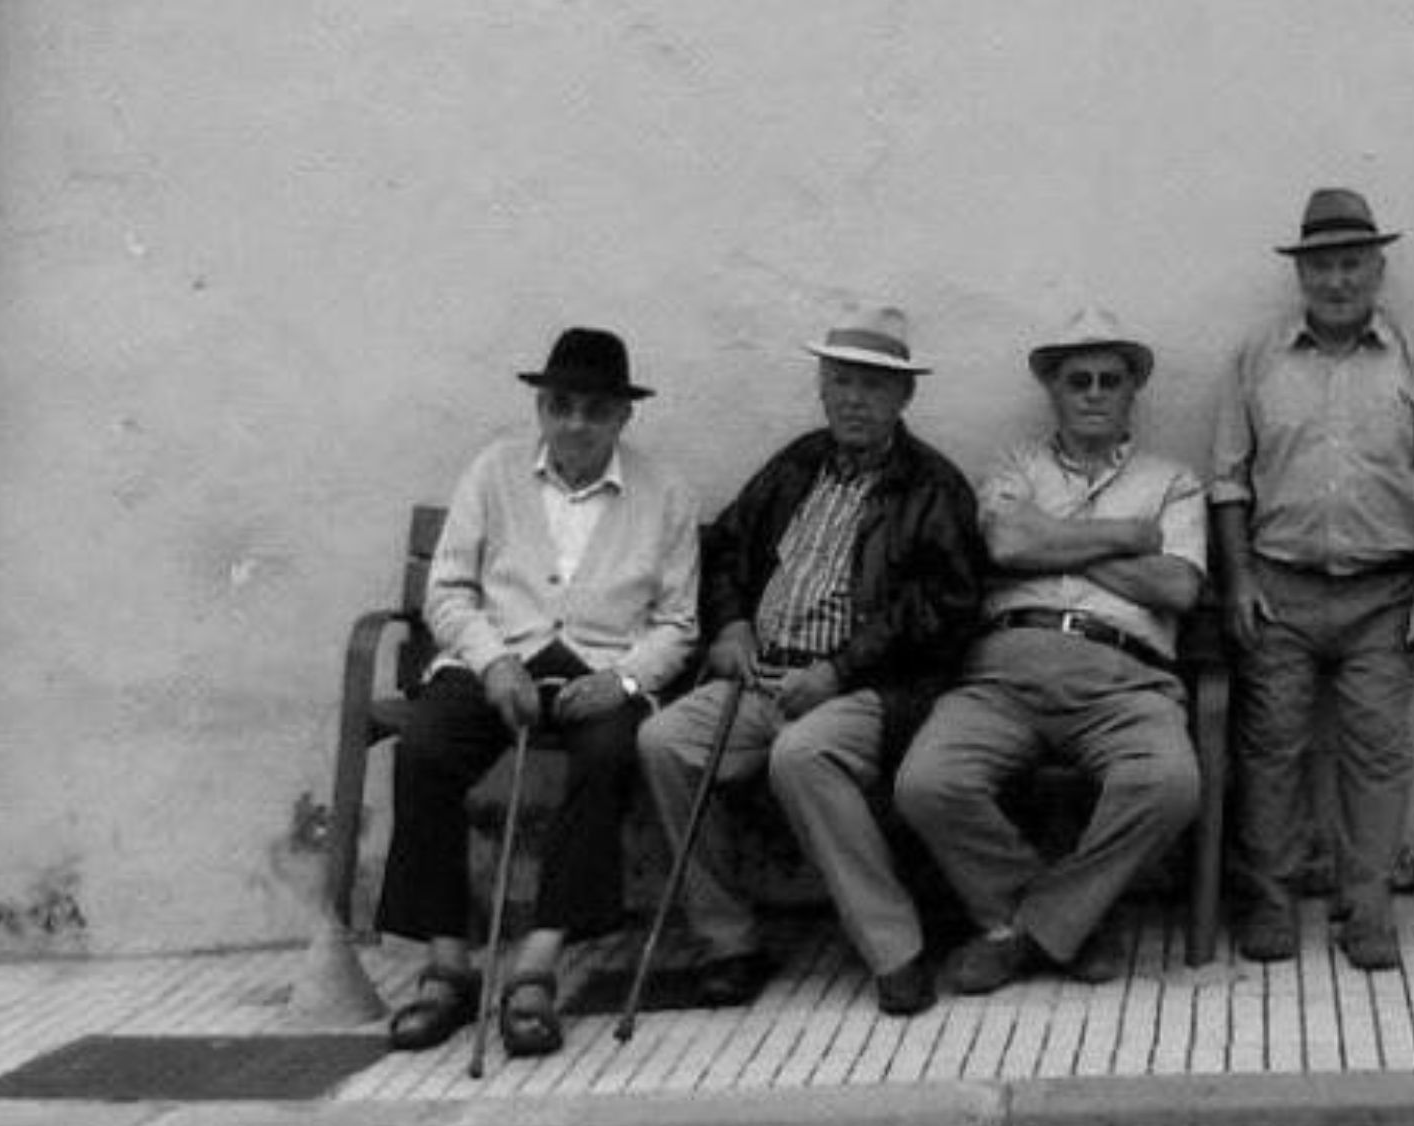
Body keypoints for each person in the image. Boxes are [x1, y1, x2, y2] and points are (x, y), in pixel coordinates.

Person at [636, 304, 983, 1018]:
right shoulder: (796, 464)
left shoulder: (933, 486)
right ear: (822, 388)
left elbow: (943, 609)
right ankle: (729, 942)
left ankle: (896, 949)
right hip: (762, 675)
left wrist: (839, 671)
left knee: (802, 755)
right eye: (842, 382)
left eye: (873, 386)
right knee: (664, 741)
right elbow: (727, 549)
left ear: (904, 396)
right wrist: (731, 624)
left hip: (869, 690)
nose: (854, 400)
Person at [377, 327, 701, 1056]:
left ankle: (537, 965)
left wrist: (623, 680)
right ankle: (448, 964)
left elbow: (679, 623)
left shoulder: (666, 492)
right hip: (498, 661)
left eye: (596, 410)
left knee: (609, 755)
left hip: (598, 667)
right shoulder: (493, 471)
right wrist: (493, 663)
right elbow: (448, 590)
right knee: (423, 749)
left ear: (624, 416)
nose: (576, 424)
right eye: (561, 406)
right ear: (541, 409)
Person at [895, 306, 1204, 995]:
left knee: (1170, 783)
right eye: (1077, 380)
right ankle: (1071, 927)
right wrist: (1127, 536)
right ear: (1052, 391)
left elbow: (1178, 587)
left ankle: (1025, 931)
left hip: (1125, 679)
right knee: (927, 782)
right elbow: (1006, 544)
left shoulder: (1174, 481)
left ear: (1132, 392)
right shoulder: (1015, 465)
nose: (1094, 393)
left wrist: (1053, 543)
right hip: (1004, 671)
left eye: (1109, 380)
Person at [1209, 188, 1414, 970]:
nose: (1337, 281)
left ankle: (1368, 908)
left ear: (1378, 269)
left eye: (1352, 263)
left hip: (1384, 596)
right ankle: (1269, 902)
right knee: (1270, 748)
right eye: (1321, 266)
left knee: (1377, 751)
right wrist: (1239, 580)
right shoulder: (1256, 358)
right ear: (1300, 274)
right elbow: (1228, 482)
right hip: (1279, 590)